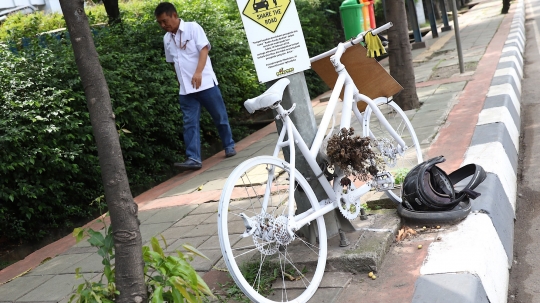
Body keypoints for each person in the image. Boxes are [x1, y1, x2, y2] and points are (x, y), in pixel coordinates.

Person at [155, 2, 236, 171]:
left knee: (219, 116)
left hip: (205, 83)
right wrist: (180, 82)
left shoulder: (193, 28)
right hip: (185, 89)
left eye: (165, 21)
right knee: (189, 123)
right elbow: (172, 62)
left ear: (174, 16)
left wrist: (198, 72)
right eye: (160, 23)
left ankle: (229, 145)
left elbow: (204, 49)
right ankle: (193, 158)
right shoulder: (166, 38)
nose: (163, 25)